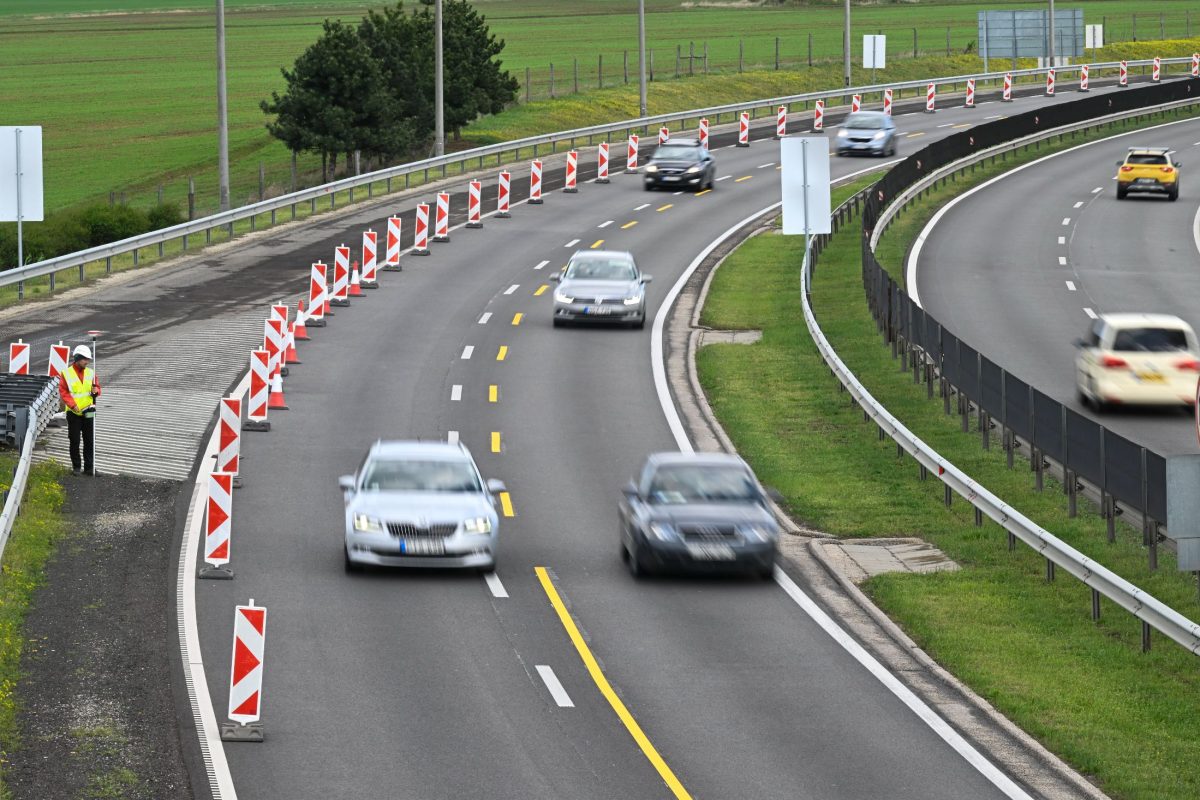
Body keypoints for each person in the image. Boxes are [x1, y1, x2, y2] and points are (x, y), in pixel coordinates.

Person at [58, 344, 100, 476]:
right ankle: (76, 467)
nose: (87, 362)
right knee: (75, 440)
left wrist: (96, 390)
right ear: (77, 358)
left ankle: (89, 468)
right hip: (74, 413)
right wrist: (72, 405)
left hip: (89, 411)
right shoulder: (66, 373)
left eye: (88, 359)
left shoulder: (91, 373)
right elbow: (63, 391)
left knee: (89, 440)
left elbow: (98, 388)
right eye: (84, 359)